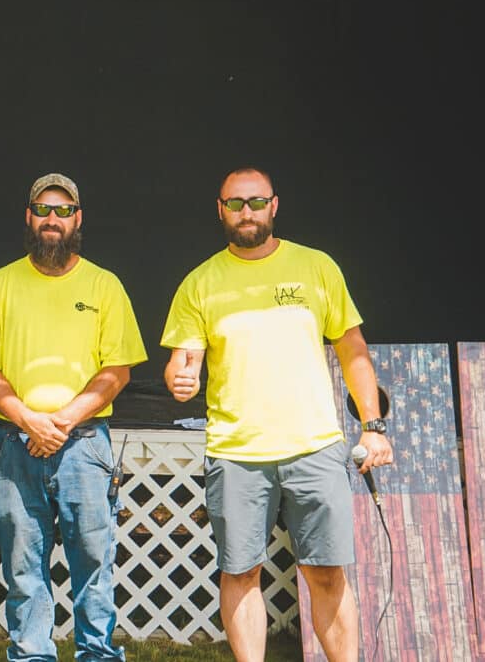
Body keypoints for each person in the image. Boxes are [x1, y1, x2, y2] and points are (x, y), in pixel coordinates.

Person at [160, 167, 394, 662]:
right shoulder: (200, 282)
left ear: (275, 205)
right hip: (237, 453)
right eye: (234, 203)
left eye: (256, 201)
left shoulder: (316, 267)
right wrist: (179, 378)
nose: (246, 212)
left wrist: (373, 427)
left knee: (327, 572)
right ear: (219, 210)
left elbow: (352, 350)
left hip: (315, 447)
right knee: (240, 572)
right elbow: (184, 363)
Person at [0, 173, 148, 662]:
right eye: (43, 209)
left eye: (63, 211)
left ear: (78, 219)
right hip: (17, 444)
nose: (52, 220)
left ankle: (98, 654)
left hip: (85, 444)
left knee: (93, 564)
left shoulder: (104, 285)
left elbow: (116, 371)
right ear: (28, 216)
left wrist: (58, 422)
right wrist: (29, 421)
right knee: (23, 567)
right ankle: (31, 654)